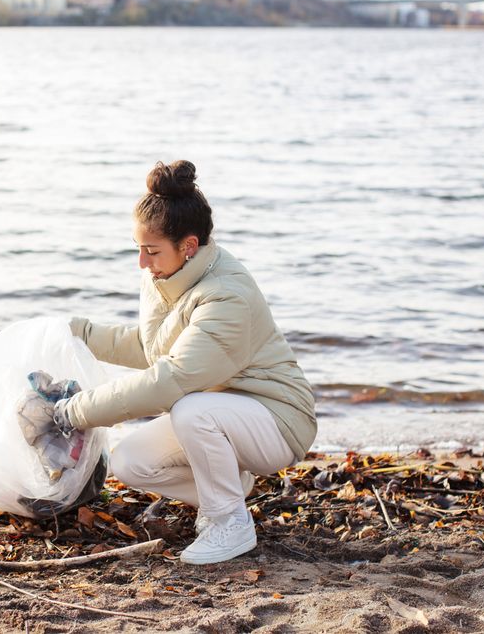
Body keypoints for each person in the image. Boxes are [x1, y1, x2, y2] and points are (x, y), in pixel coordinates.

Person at [50, 159, 317, 565]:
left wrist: (72, 412)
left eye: (151, 251)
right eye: (139, 248)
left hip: (277, 421)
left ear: (188, 246)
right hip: (226, 413)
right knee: (131, 462)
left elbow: (169, 380)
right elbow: (151, 349)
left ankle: (230, 521)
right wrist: (74, 332)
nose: (142, 262)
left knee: (189, 408)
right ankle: (226, 487)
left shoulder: (227, 297)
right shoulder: (169, 275)